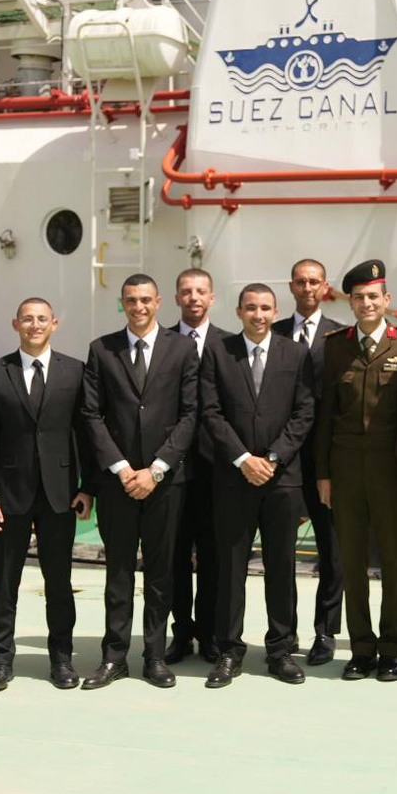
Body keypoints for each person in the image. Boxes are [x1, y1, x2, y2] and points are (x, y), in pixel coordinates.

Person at [80, 274, 200, 688]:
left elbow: (190, 414)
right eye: (131, 300)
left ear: (158, 301)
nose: (139, 307)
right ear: (123, 303)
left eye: (145, 299)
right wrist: (121, 467)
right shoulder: (102, 349)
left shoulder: (182, 348)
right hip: (118, 482)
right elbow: (91, 414)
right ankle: (114, 656)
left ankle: (155, 656)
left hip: (165, 482)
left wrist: (156, 469)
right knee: (118, 573)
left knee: (161, 573)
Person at [0, 297, 93, 692]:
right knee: (3, 583)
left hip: (60, 494)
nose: (35, 325)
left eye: (42, 319)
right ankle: (0, 662)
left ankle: (61, 659)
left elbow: (85, 433)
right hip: (9, 495)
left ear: (54, 324)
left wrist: (87, 486)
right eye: (28, 319)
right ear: (16, 324)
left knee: (58, 582)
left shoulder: (74, 371)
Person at [200, 284, 317, 687]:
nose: (259, 314)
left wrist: (272, 457)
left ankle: (280, 650)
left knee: (281, 566)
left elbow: (304, 412)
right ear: (239, 311)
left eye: (265, 308)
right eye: (251, 308)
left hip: (281, 479)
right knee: (230, 567)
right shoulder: (218, 352)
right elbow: (211, 412)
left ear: (275, 311)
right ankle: (228, 650)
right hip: (233, 479)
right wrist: (243, 459)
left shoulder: (295, 354)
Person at [314, 260, 397, 681]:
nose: (366, 303)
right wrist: (323, 474)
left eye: (373, 296)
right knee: (351, 561)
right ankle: (361, 648)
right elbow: (326, 415)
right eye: (358, 297)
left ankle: (391, 649)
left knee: (393, 562)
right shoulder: (335, 346)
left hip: (389, 470)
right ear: (351, 303)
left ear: (386, 299)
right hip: (345, 469)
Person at [273, 257, 342, 665]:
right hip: (283, 458)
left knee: (332, 551)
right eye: (300, 282)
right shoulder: (274, 333)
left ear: (325, 286)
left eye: (314, 282)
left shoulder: (341, 336)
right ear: (291, 286)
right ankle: (285, 632)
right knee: (280, 552)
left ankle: (326, 632)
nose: (307, 288)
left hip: (326, 461)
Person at [165, 267, 232, 665]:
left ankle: (208, 633)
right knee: (174, 556)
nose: (193, 297)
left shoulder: (230, 345)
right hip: (171, 469)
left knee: (212, 556)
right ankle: (180, 633)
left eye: (200, 291)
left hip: (215, 470)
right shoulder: (163, 343)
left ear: (212, 297)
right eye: (186, 291)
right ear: (176, 297)